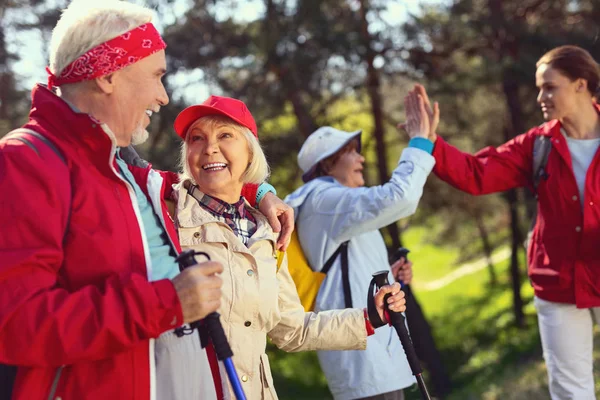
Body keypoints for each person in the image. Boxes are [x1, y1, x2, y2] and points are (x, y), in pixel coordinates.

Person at [0, 1, 292, 399]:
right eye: (156, 76)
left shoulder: (124, 171)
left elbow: (213, 183)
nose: (162, 96)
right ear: (108, 76)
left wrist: (261, 193)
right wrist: (167, 302)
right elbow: (16, 325)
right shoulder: (27, 160)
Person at [171, 95, 407, 400]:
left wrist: (369, 317)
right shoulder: (165, 213)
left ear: (249, 150)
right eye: (196, 138)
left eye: (225, 135)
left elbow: (292, 329)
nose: (209, 147)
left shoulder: (267, 231)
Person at [407, 45, 600, 400]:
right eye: (539, 87)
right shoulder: (537, 145)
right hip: (559, 284)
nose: (541, 96)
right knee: (572, 393)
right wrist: (429, 142)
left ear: (580, 85)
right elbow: (477, 174)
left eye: (550, 87)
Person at [283, 96, 437, 399]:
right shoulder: (323, 199)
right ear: (327, 164)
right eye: (351, 152)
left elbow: (344, 267)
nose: (361, 159)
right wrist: (419, 143)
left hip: (372, 356)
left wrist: (390, 275)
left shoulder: (331, 204)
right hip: (364, 358)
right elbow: (400, 197)